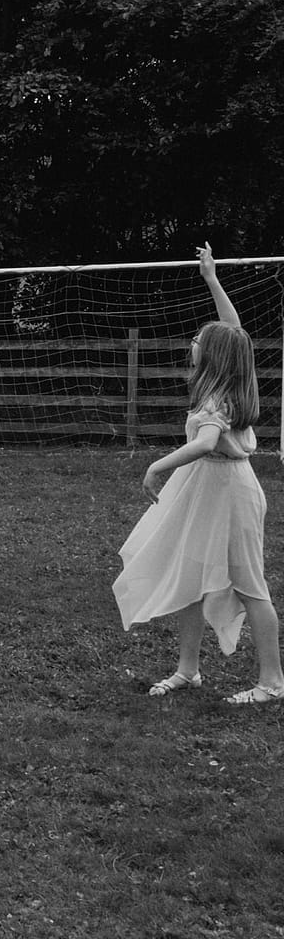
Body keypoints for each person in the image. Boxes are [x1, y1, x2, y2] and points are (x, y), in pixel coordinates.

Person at [114, 245, 284, 704]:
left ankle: (273, 682)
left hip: (232, 492)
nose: (192, 343)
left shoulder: (218, 400)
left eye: (198, 341)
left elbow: (207, 443)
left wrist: (157, 465)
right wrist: (211, 278)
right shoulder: (224, 380)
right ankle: (188, 670)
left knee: (251, 587)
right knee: (190, 578)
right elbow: (234, 331)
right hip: (207, 490)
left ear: (212, 357)